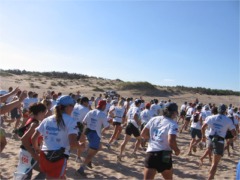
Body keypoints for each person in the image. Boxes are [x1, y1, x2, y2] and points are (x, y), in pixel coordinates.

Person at [31, 95, 84, 179]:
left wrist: (37, 149)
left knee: (60, 177)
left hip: (44, 156)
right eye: (72, 106)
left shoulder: (47, 119)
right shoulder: (71, 121)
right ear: (67, 107)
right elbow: (73, 143)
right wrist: (80, 146)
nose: (73, 108)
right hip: (58, 158)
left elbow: (34, 138)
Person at [141, 102, 180, 180]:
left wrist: (152, 139)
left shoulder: (154, 119)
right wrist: (176, 150)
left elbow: (143, 133)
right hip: (164, 155)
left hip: (151, 153)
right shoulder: (173, 124)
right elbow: (171, 141)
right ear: (174, 112)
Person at [201, 104, 236, 180]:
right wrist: (232, 137)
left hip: (210, 139)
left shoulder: (211, 117)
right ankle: (210, 178)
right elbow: (234, 133)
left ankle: (211, 177)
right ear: (225, 111)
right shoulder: (228, 120)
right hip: (219, 141)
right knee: (215, 163)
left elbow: (203, 127)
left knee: (212, 161)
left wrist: (203, 137)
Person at [76, 100, 109, 176]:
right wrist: (108, 123)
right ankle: (81, 169)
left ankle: (88, 160)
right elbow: (107, 127)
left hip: (88, 132)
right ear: (103, 106)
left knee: (99, 147)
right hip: (95, 134)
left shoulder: (91, 111)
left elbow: (84, 122)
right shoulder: (102, 114)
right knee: (91, 153)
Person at [15, 103, 47, 179]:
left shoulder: (31, 119)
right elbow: (24, 139)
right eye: (44, 113)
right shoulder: (35, 124)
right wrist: (34, 153)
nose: (44, 116)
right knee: (44, 171)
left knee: (26, 174)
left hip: (25, 152)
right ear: (40, 113)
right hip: (28, 152)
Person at [71, 97, 90, 162]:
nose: (88, 103)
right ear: (84, 102)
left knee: (72, 141)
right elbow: (86, 121)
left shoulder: (75, 106)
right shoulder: (86, 109)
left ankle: (82, 150)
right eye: (87, 102)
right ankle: (78, 157)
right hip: (80, 127)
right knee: (80, 141)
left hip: (71, 125)